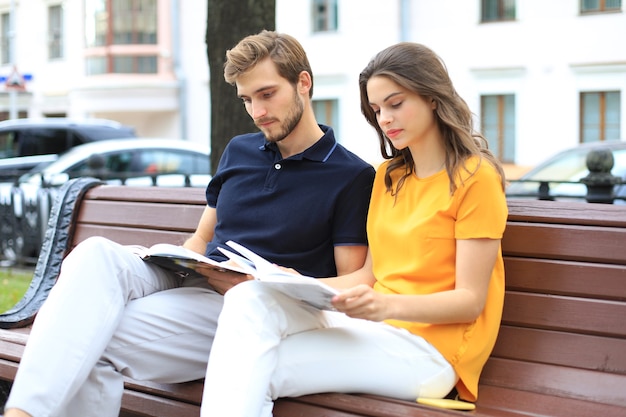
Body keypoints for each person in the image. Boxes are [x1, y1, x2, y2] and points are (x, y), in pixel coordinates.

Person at [3, 31, 375, 417]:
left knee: (89, 342)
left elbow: (352, 281)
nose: (257, 112)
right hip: (195, 280)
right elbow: (202, 236)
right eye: (247, 100)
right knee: (94, 253)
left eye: (267, 94)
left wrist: (263, 282)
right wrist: (178, 259)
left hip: (254, 308)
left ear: (303, 83)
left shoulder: (350, 175)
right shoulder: (240, 150)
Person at [200, 42, 508, 417]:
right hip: (373, 329)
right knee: (250, 299)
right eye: (377, 110)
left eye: (396, 104)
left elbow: (470, 301)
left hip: (430, 352)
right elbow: (370, 275)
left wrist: (387, 305)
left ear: (432, 97)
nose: (386, 119)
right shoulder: (389, 177)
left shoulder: (476, 180)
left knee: (250, 367)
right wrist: (295, 281)